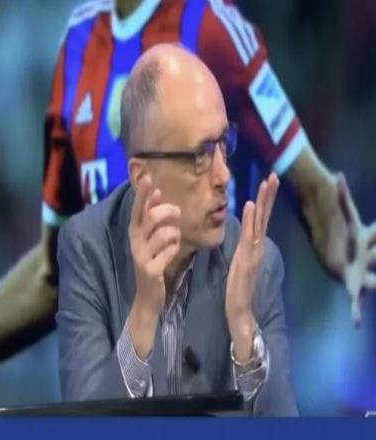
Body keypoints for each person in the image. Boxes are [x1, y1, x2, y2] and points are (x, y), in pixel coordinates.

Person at [0, 0, 376, 405]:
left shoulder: (210, 25)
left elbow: (313, 187)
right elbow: (55, 273)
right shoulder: (77, 46)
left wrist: (340, 235)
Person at [57, 43, 296, 416]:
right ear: (142, 176)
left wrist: (243, 326)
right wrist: (142, 316)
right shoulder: (88, 249)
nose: (223, 175)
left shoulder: (254, 264)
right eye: (201, 154)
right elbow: (82, 425)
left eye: (223, 144)